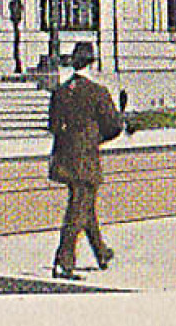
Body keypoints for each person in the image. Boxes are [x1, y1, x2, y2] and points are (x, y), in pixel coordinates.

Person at [46, 41, 126, 280]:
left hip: (64, 156)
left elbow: (53, 125)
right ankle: (64, 260)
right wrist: (95, 139)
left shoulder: (60, 91)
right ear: (93, 62)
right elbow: (113, 126)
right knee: (78, 208)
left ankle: (101, 252)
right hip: (86, 157)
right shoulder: (97, 92)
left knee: (84, 205)